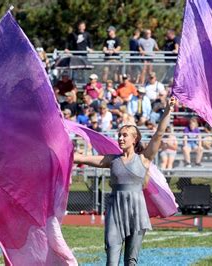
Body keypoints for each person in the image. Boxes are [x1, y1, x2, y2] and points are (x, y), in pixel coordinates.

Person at [74, 97, 176, 266]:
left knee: (131, 261)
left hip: (137, 212)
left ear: (134, 139)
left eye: (125, 135)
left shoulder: (144, 158)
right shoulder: (111, 160)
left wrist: (168, 110)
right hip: (115, 210)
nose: (120, 138)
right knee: (112, 257)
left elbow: (159, 133)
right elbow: (82, 158)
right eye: (119, 135)